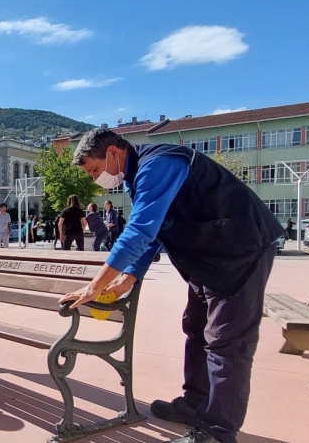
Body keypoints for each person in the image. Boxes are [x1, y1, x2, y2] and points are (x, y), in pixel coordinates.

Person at [60, 129, 282, 443]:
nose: (96, 178)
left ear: (112, 152)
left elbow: (140, 231)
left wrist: (95, 285)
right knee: (195, 326)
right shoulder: (137, 176)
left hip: (242, 247)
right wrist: (128, 278)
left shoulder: (159, 164)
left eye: (95, 170)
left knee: (227, 342)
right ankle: (195, 404)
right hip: (211, 253)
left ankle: (218, 432)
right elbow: (155, 233)